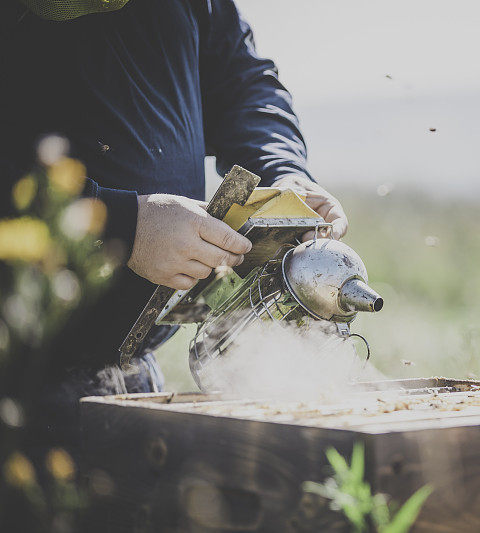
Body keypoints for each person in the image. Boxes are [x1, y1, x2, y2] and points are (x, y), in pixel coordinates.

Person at [0, 0, 348, 452]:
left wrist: (285, 172)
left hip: (133, 373)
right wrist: (122, 224)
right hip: (18, 384)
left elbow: (240, 80)